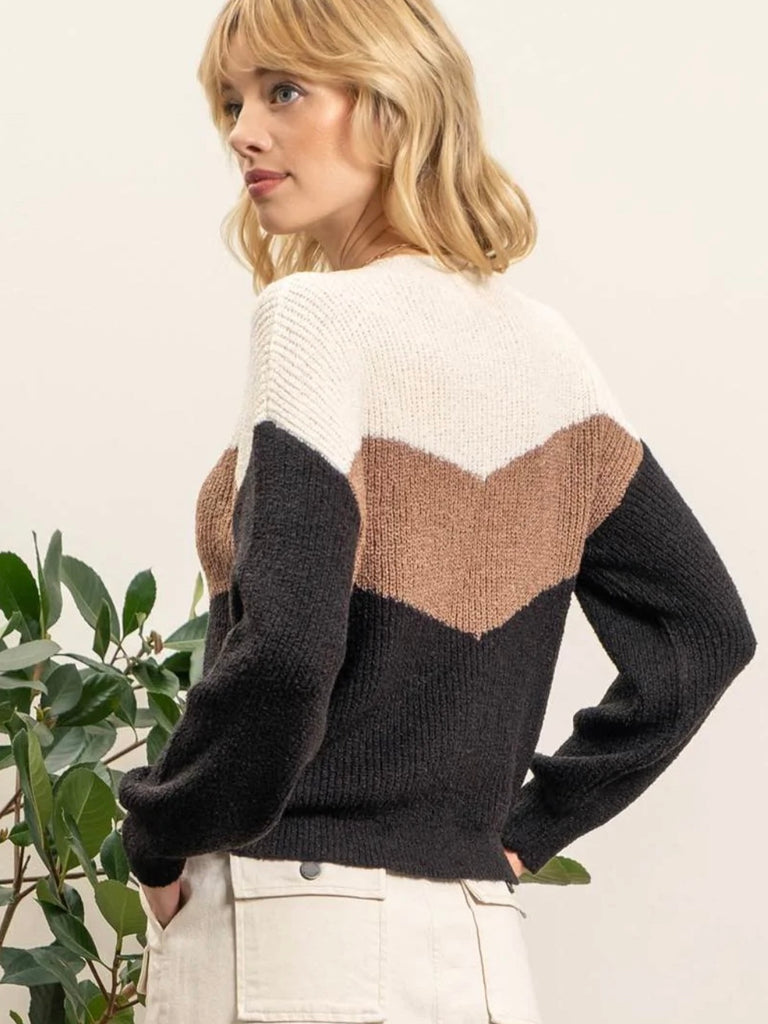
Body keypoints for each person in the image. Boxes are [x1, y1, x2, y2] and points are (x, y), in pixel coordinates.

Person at [117, 1, 757, 1021]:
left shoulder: (313, 321)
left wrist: (158, 828)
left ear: (393, 102)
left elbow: (286, 655)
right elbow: (704, 632)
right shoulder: (549, 354)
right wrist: (530, 828)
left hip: (296, 931)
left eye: (285, 92)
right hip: (476, 942)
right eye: (232, 102)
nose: (244, 131)